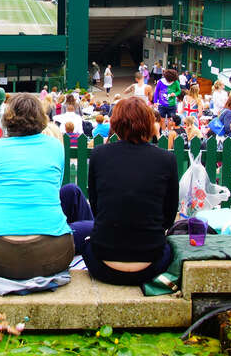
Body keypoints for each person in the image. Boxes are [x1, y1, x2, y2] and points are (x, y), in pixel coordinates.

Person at [62, 96, 178, 285]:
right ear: (149, 123)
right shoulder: (166, 159)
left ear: (116, 123)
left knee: (87, 240)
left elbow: (97, 208)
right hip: (152, 262)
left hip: (102, 263)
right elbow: (169, 216)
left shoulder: (100, 155)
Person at [0, 94, 74, 279]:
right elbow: (54, 189)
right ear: (41, 117)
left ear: (8, 119)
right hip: (53, 251)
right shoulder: (55, 147)